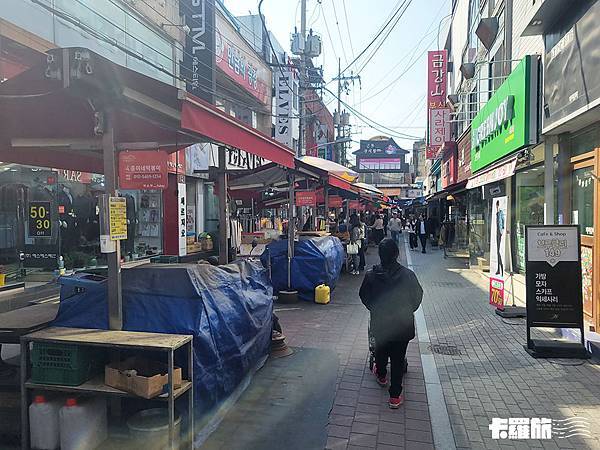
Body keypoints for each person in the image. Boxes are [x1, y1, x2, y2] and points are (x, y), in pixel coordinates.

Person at [359, 238, 423, 409]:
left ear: (380, 255)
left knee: (380, 351)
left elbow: (364, 296)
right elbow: (417, 297)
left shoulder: (372, 275)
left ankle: (381, 375)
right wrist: (408, 310)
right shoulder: (408, 275)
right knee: (397, 358)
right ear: (396, 254)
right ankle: (395, 396)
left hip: (380, 323)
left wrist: (374, 308)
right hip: (402, 325)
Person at [495, 200, 505, 276]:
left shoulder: (501, 213)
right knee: (497, 252)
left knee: (500, 251)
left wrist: (502, 231)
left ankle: (501, 268)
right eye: (496, 205)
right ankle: (498, 269)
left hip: (500, 233)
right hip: (496, 233)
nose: (497, 207)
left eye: (497, 205)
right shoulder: (496, 213)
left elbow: (503, 222)